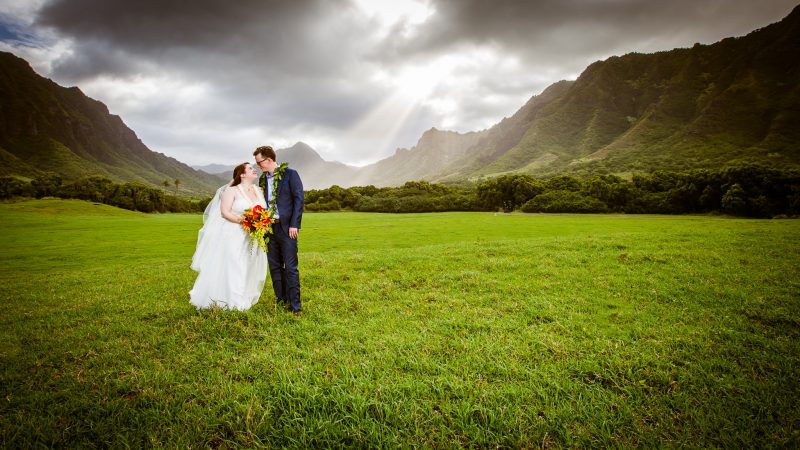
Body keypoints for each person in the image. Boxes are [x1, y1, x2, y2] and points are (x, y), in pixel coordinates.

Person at [189, 162, 268, 311]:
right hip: (234, 233)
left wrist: (259, 223)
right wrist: (245, 221)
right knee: (234, 264)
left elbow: (262, 211)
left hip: (252, 235)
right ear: (242, 174)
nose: (254, 169)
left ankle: (245, 295)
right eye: (250, 168)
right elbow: (224, 212)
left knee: (248, 264)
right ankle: (232, 300)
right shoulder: (231, 191)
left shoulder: (259, 191)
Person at [253, 145, 304, 315]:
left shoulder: (291, 174)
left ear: (268, 160)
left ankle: (295, 306)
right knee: (274, 266)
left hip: (287, 228)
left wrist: (294, 224)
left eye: (259, 162)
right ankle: (281, 300)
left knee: (290, 267)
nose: (258, 166)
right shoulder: (262, 179)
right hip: (268, 229)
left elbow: (299, 200)